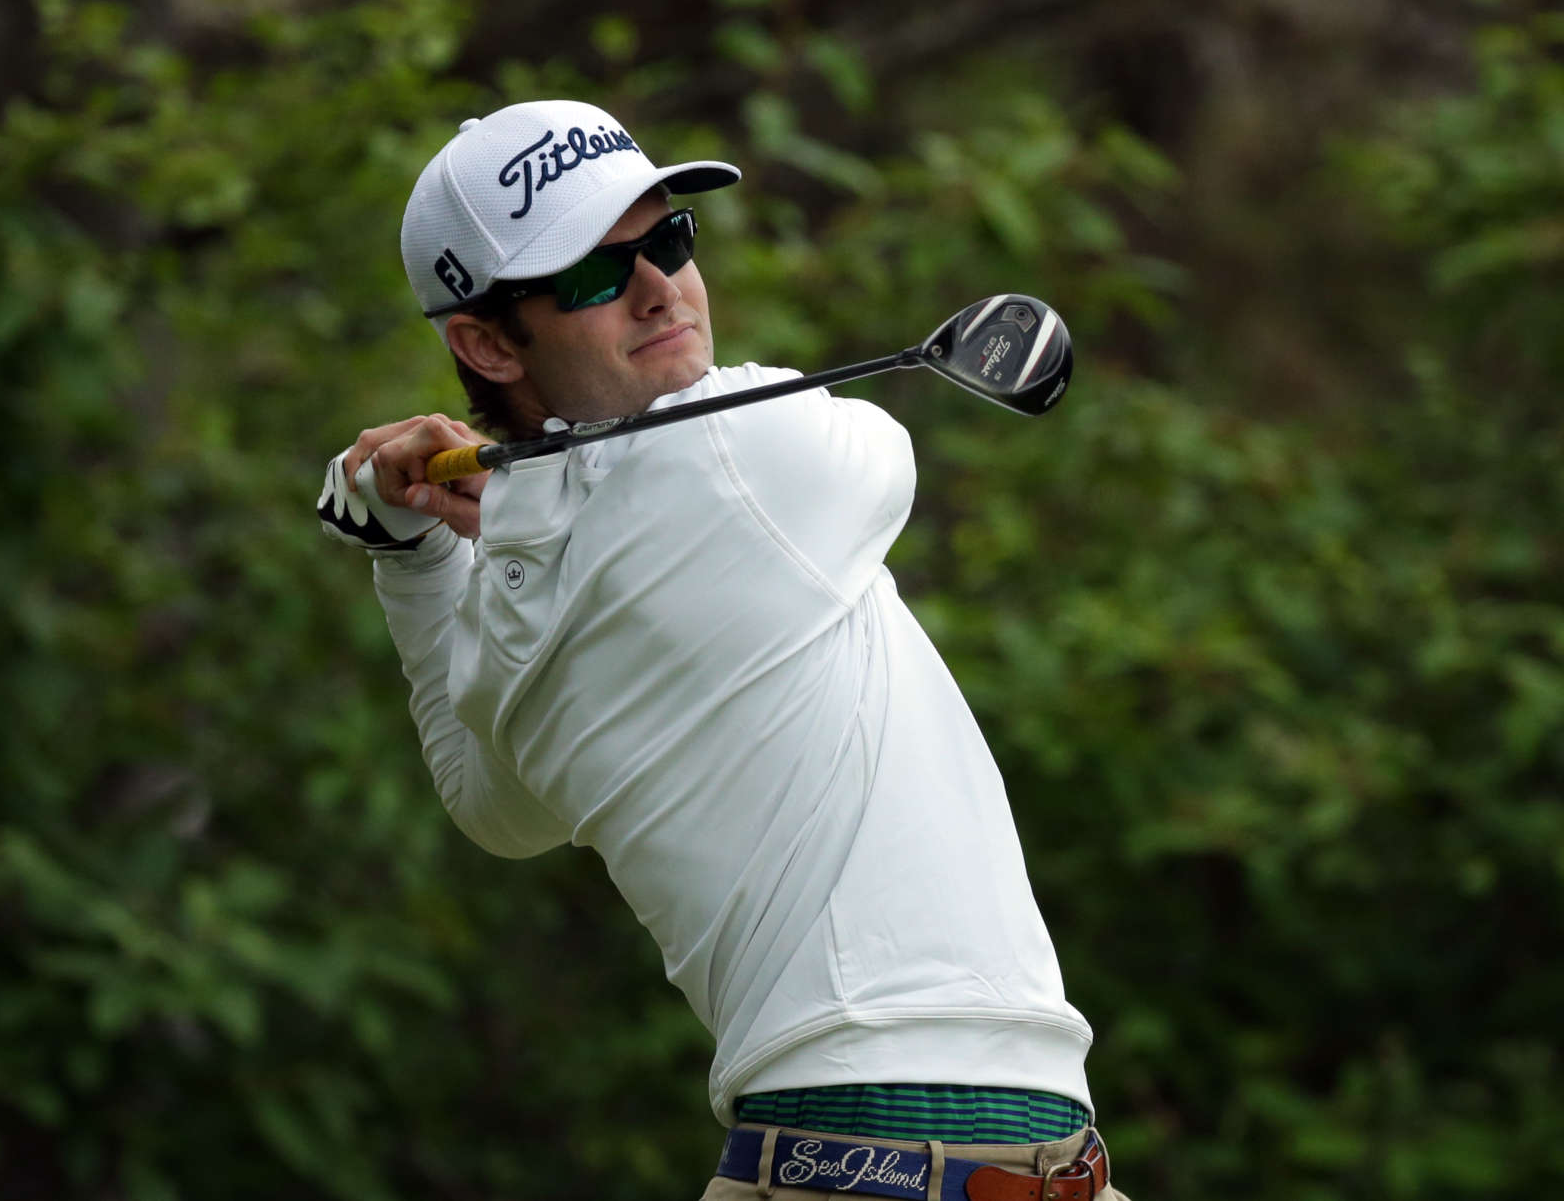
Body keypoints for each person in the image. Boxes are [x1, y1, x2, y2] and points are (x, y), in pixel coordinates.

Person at [317, 99, 1129, 1201]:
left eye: (669, 240)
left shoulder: (513, 618)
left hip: (914, 1162)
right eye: (597, 276)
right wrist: (516, 499)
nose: (659, 286)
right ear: (486, 342)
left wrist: (411, 554)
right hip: (891, 1147)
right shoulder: (747, 451)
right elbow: (877, 453)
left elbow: (492, 810)